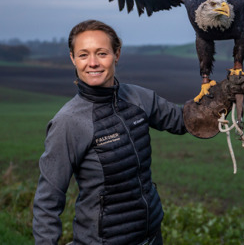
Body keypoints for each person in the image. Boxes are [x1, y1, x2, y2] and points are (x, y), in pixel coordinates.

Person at [33, 19, 188, 245]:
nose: (93, 63)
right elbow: (48, 201)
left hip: (152, 236)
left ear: (117, 54)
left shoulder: (138, 98)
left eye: (102, 53)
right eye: (83, 55)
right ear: (72, 59)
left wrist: (221, 98)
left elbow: (184, 121)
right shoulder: (68, 122)